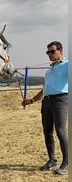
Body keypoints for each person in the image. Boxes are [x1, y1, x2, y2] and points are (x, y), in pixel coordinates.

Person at [22, 41, 68, 175]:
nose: (49, 54)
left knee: (60, 131)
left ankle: (67, 163)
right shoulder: (49, 70)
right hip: (46, 101)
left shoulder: (67, 65)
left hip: (61, 99)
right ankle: (52, 159)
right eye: (48, 52)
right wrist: (31, 100)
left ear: (60, 51)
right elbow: (45, 89)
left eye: (52, 51)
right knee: (47, 131)